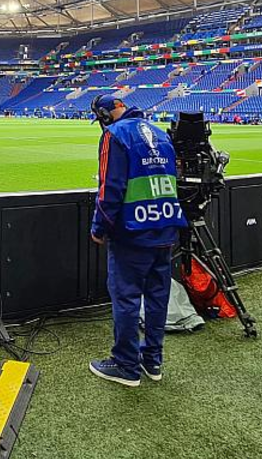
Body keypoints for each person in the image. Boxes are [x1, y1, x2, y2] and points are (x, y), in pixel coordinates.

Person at [87, 94, 187, 387]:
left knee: (127, 299)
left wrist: (99, 227)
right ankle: (152, 360)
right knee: (158, 298)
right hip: (166, 226)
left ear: (105, 115)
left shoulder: (114, 135)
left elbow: (110, 188)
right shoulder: (159, 133)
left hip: (132, 231)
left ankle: (126, 365)